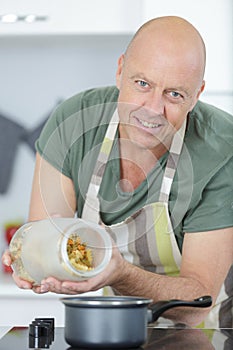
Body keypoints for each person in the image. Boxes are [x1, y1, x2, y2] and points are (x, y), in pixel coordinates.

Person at [2, 16, 233, 328]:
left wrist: (120, 273)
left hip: (210, 333)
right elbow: (48, 236)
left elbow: (195, 305)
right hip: (118, 325)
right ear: (120, 69)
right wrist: (32, 258)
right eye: (142, 84)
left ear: (197, 94)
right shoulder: (75, 124)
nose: (152, 109)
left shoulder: (222, 150)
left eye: (174, 94)